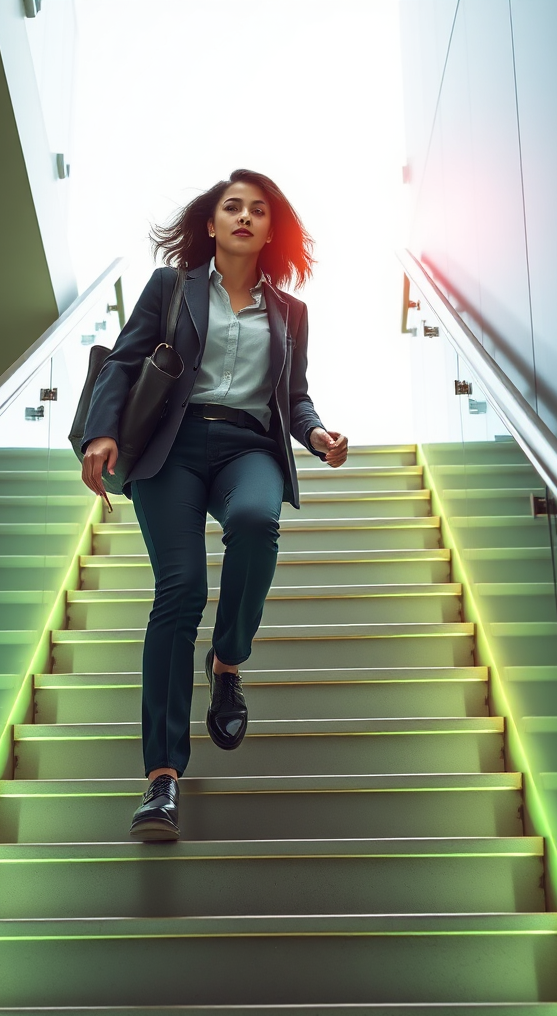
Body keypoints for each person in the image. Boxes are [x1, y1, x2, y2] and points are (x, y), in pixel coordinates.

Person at [80, 169, 348, 841]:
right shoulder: (172, 288)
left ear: (269, 229)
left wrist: (316, 434)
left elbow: (293, 398)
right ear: (211, 224)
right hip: (171, 448)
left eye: (259, 210)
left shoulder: (290, 314)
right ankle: (161, 780)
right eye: (233, 207)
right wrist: (101, 431)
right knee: (180, 590)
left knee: (258, 522)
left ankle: (227, 661)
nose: (245, 217)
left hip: (246, 448)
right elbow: (125, 361)